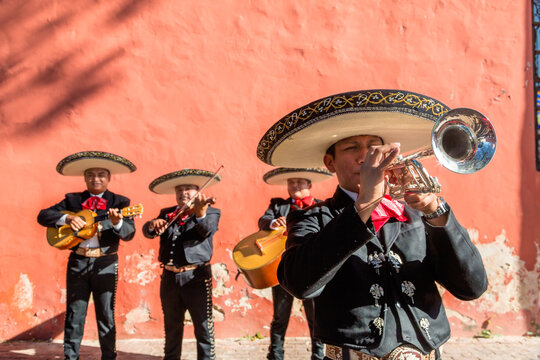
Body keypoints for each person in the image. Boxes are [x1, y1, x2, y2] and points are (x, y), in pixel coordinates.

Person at [256, 89, 489, 360]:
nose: (365, 156)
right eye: (352, 147)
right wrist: (364, 205)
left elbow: (472, 287)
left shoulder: (416, 212)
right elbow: (299, 283)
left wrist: (437, 213)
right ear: (329, 162)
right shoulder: (313, 217)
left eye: (374, 147)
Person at [37, 151, 137, 360]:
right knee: (75, 313)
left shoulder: (121, 202)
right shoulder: (73, 200)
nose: (96, 179)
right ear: (85, 178)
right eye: (91, 175)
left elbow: (129, 234)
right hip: (78, 260)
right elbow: (43, 215)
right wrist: (66, 220)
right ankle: (70, 357)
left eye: (101, 174)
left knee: (105, 313)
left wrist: (118, 221)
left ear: (109, 178)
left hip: (106, 262)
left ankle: (109, 357)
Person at [142, 169, 221, 360]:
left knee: (203, 327)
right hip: (169, 278)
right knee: (171, 327)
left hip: (196, 278)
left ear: (197, 192)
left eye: (188, 189)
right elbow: (148, 231)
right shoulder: (167, 213)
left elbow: (206, 231)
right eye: (179, 190)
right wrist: (153, 224)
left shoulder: (211, 212)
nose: (183, 193)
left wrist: (200, 213)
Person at [258, 167, 332, 360]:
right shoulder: (278, 206)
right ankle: (275, 355)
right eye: (291, 182)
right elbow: (263, 220)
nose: (294, 185)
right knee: (280, 317)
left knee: (315, 318)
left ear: (309, 185)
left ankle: (318, 355)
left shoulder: (320, 206)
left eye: (299, 182)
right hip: (283, 269)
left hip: (312, 270)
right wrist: (273, 223)